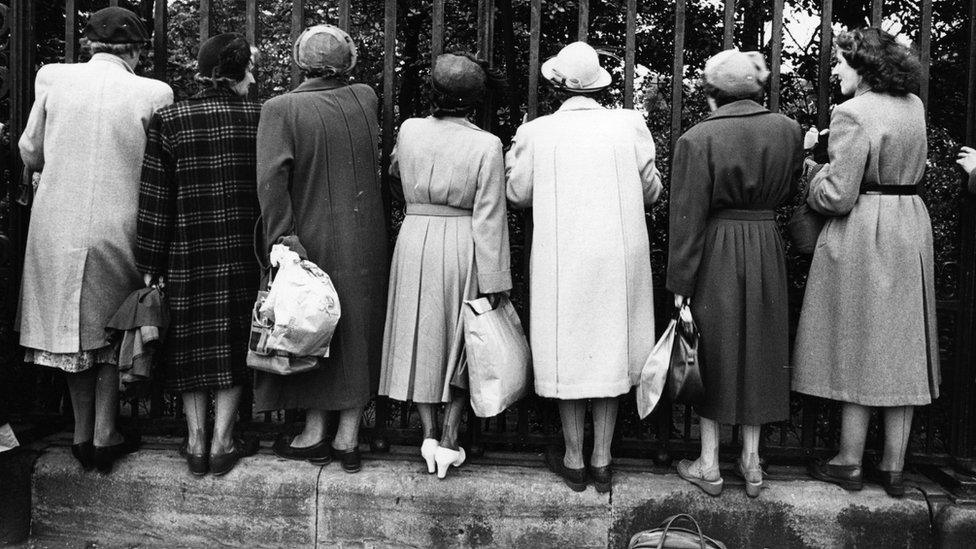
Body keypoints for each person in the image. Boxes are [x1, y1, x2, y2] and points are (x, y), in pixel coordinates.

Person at [17, 7, 173, 474]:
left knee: (70, 327)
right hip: (121, 220)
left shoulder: (52, 77)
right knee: (112, 324)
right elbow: (158, 159)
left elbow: (30, 147)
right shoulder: (154, 91)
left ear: (88, 43)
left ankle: (84, 431)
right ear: (138, 49)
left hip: (55, 222)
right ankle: (106, 431)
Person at [506, 41, 662, 493]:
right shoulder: (628, 124)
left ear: (557, 87)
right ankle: (603, 457)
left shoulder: (537, 131)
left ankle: (574, 457)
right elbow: (652, 191)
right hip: (617, 254)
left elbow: (518, 195)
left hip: (562, 255)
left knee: (569, 348)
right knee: (610, 345)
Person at [793, 28, 940, 498]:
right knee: (902, 344)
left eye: (840, 62)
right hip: (910, 225)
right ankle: (894, 466)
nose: (835, 70)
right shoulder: (913, 105)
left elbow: (837, 196)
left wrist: (810, 170)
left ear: (863, 67)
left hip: (867, 229)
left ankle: (849, 461)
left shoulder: (851, 113)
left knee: (858, 340)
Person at [667, 50, 802, 498]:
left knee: (711, 347)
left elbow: (687, 217)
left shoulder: (697, 139)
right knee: (761, 344)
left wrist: (680, 285)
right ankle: (751, 460)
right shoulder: (788, 130)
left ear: (712, 95)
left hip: (717, 248)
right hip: (765, 242)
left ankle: (708, 463)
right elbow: (790, 189)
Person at [255, 24, 388, 473]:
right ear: (348, 64)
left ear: (298, 61)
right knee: (357, 325)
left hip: (309, 236)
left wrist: (282, 240)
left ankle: (314, 433)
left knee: (313, 323)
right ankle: (349, 437)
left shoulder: (280, 109)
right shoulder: (364, 97)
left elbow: (272, 182)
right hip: (364, 234)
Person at [378, 53, 511, 479]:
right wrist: (496, 281)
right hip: (463, 243)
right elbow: (490, 218)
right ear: (475, 100)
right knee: (462, 339)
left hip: (415, 239)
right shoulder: (487, 144)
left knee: (422, 334)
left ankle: (429, 433)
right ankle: (451, 438)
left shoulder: (410, 130)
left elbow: (396, 177)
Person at [136, 33, 261, 477]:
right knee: (233, 340)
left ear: (203, 71)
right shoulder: (262, 117)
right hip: (245, 251)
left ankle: (194, 442)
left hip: (186, 249)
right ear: (241, 72)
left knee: (191, 340)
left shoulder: (170, 119)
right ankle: (224, 441)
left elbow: (155, 199)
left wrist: (149, 264)